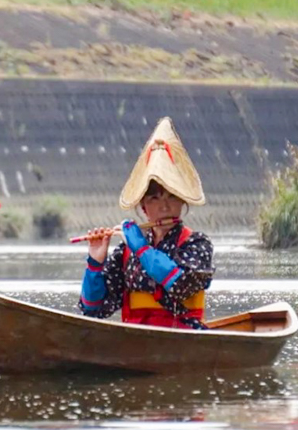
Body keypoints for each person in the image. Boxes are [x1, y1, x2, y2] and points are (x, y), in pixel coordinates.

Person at [78, 118, 214, 330]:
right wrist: (95, 263)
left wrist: (142, 248)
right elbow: (93, 309)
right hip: (134, 342)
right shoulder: (126, 251)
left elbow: (182, 286)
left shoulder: (197, 244)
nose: (165, 207)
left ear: (182, 201)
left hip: (183, 340)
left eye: (172, 197)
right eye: (154, 199)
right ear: (143, 206)